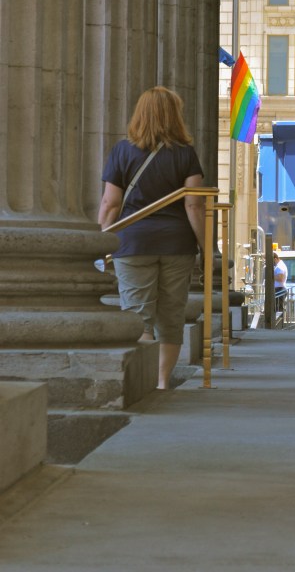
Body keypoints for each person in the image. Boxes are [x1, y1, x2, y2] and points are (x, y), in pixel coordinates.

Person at [98, 86, 205, 391]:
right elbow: (194, 205)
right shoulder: (186, 154)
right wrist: (206, 247)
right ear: (174, 116)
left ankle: (143, 384)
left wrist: (99, 244)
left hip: (132, 243)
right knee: (171, 317)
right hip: (176, 244)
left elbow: (110, 204)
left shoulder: (121, 151)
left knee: (138, 316)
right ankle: (161, 382)